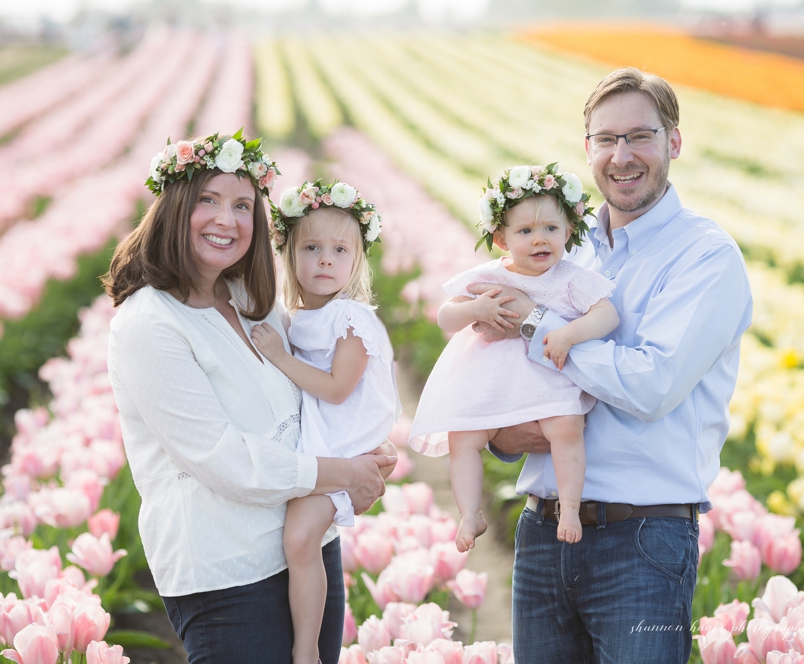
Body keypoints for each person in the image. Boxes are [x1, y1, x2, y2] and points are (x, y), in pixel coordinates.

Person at [470, 68, 753, 661]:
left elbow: (652, 384)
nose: (622, 156)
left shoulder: (705, 256)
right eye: (606, 139)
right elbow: (497, 366)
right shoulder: (563, 247)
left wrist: (536, 328)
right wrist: (499, 432)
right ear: (588, 149)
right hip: (543, 533)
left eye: (640, 137)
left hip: (643, 542)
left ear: (674, 142)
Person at [104, 131, 396, 663]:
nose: (228, 219)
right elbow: (223, 459)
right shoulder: (149, 324)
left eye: (243, 205)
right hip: (229, 573)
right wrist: (343, 473)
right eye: (208, 201)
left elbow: (313, 396)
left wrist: (368, 451)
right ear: (173, 208)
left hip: (307, 547)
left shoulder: (247, 299)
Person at [405, 163, 616, 553]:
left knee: (566, 427)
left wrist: (569, 333)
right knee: (464, 436)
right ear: (501, 239)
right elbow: (445, 315)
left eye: (551, 229)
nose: (540, 240)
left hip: (547, 375)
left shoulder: (570, 278)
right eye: (525, 231)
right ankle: (470, 512)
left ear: (569, 232)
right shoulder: (491, 276)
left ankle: (569, 507)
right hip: (491, 380)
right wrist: (476, 310)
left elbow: (607, 315)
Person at [244, 180, 401, 664]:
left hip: (344, 446)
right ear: (290, 256)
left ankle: (308, 650)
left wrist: (277, 354)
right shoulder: (296, 315)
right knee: (298, 540)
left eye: (340, 249)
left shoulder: (350, 318)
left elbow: (337, 388)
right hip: (321, 441)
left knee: (299, 539)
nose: (326, 260)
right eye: (312, 248)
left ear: (357, 260)